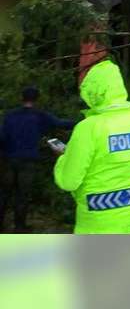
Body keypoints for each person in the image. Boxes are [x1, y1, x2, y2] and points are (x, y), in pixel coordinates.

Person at [54, 58, 130, 234]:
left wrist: (63, 159)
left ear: (92, 92)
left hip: (99, 225)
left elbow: (68, 181)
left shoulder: (88, 128)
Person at [0, 86, 76, 233]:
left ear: (21, 98)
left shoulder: (10, 115)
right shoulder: (40, 115)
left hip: (9, 159)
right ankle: (19, 227)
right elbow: (60, 123)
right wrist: (83, 121)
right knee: (22, 195)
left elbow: (2, 137)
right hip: (28, 161)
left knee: (4, 193)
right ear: (37, 99)